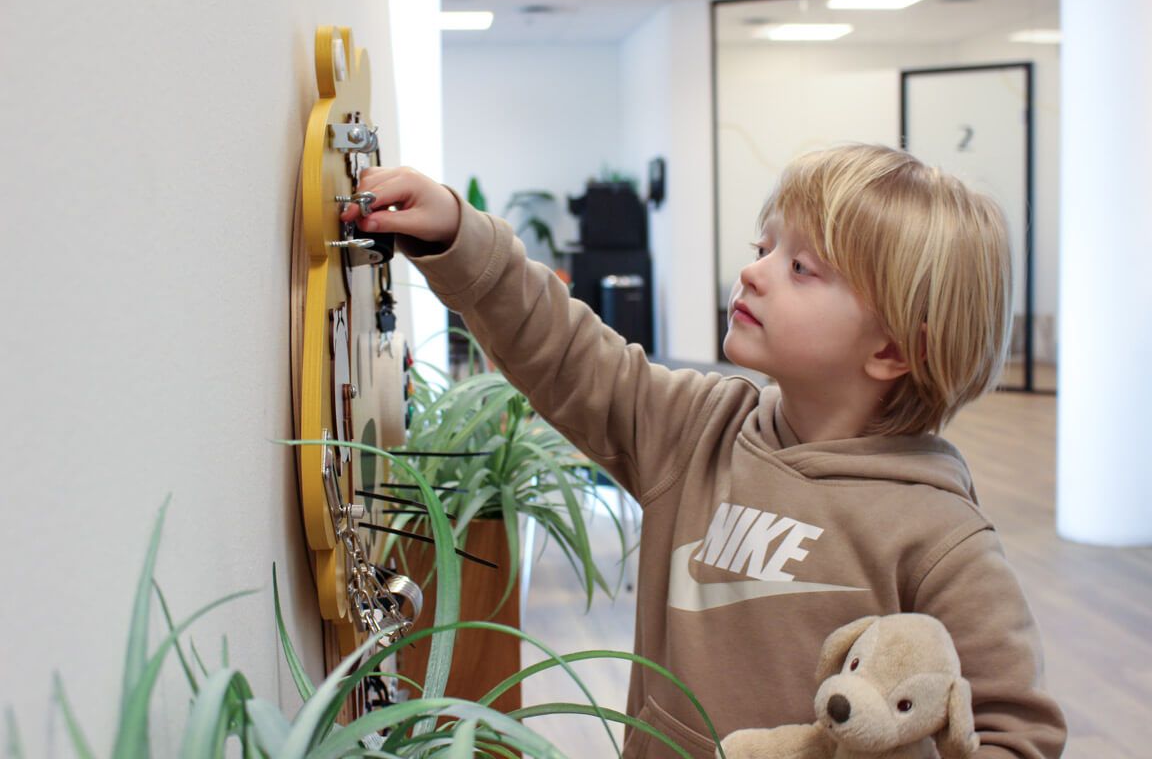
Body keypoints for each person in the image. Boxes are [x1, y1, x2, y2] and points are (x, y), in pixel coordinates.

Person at [341, 144, 1067, 758]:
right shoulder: (696, 432)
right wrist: (460, 237)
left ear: (894, 347)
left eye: (801, 267)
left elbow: (1017, 727)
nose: (753, 271)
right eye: (764, 248)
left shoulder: (941, 537)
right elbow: (565, 351)